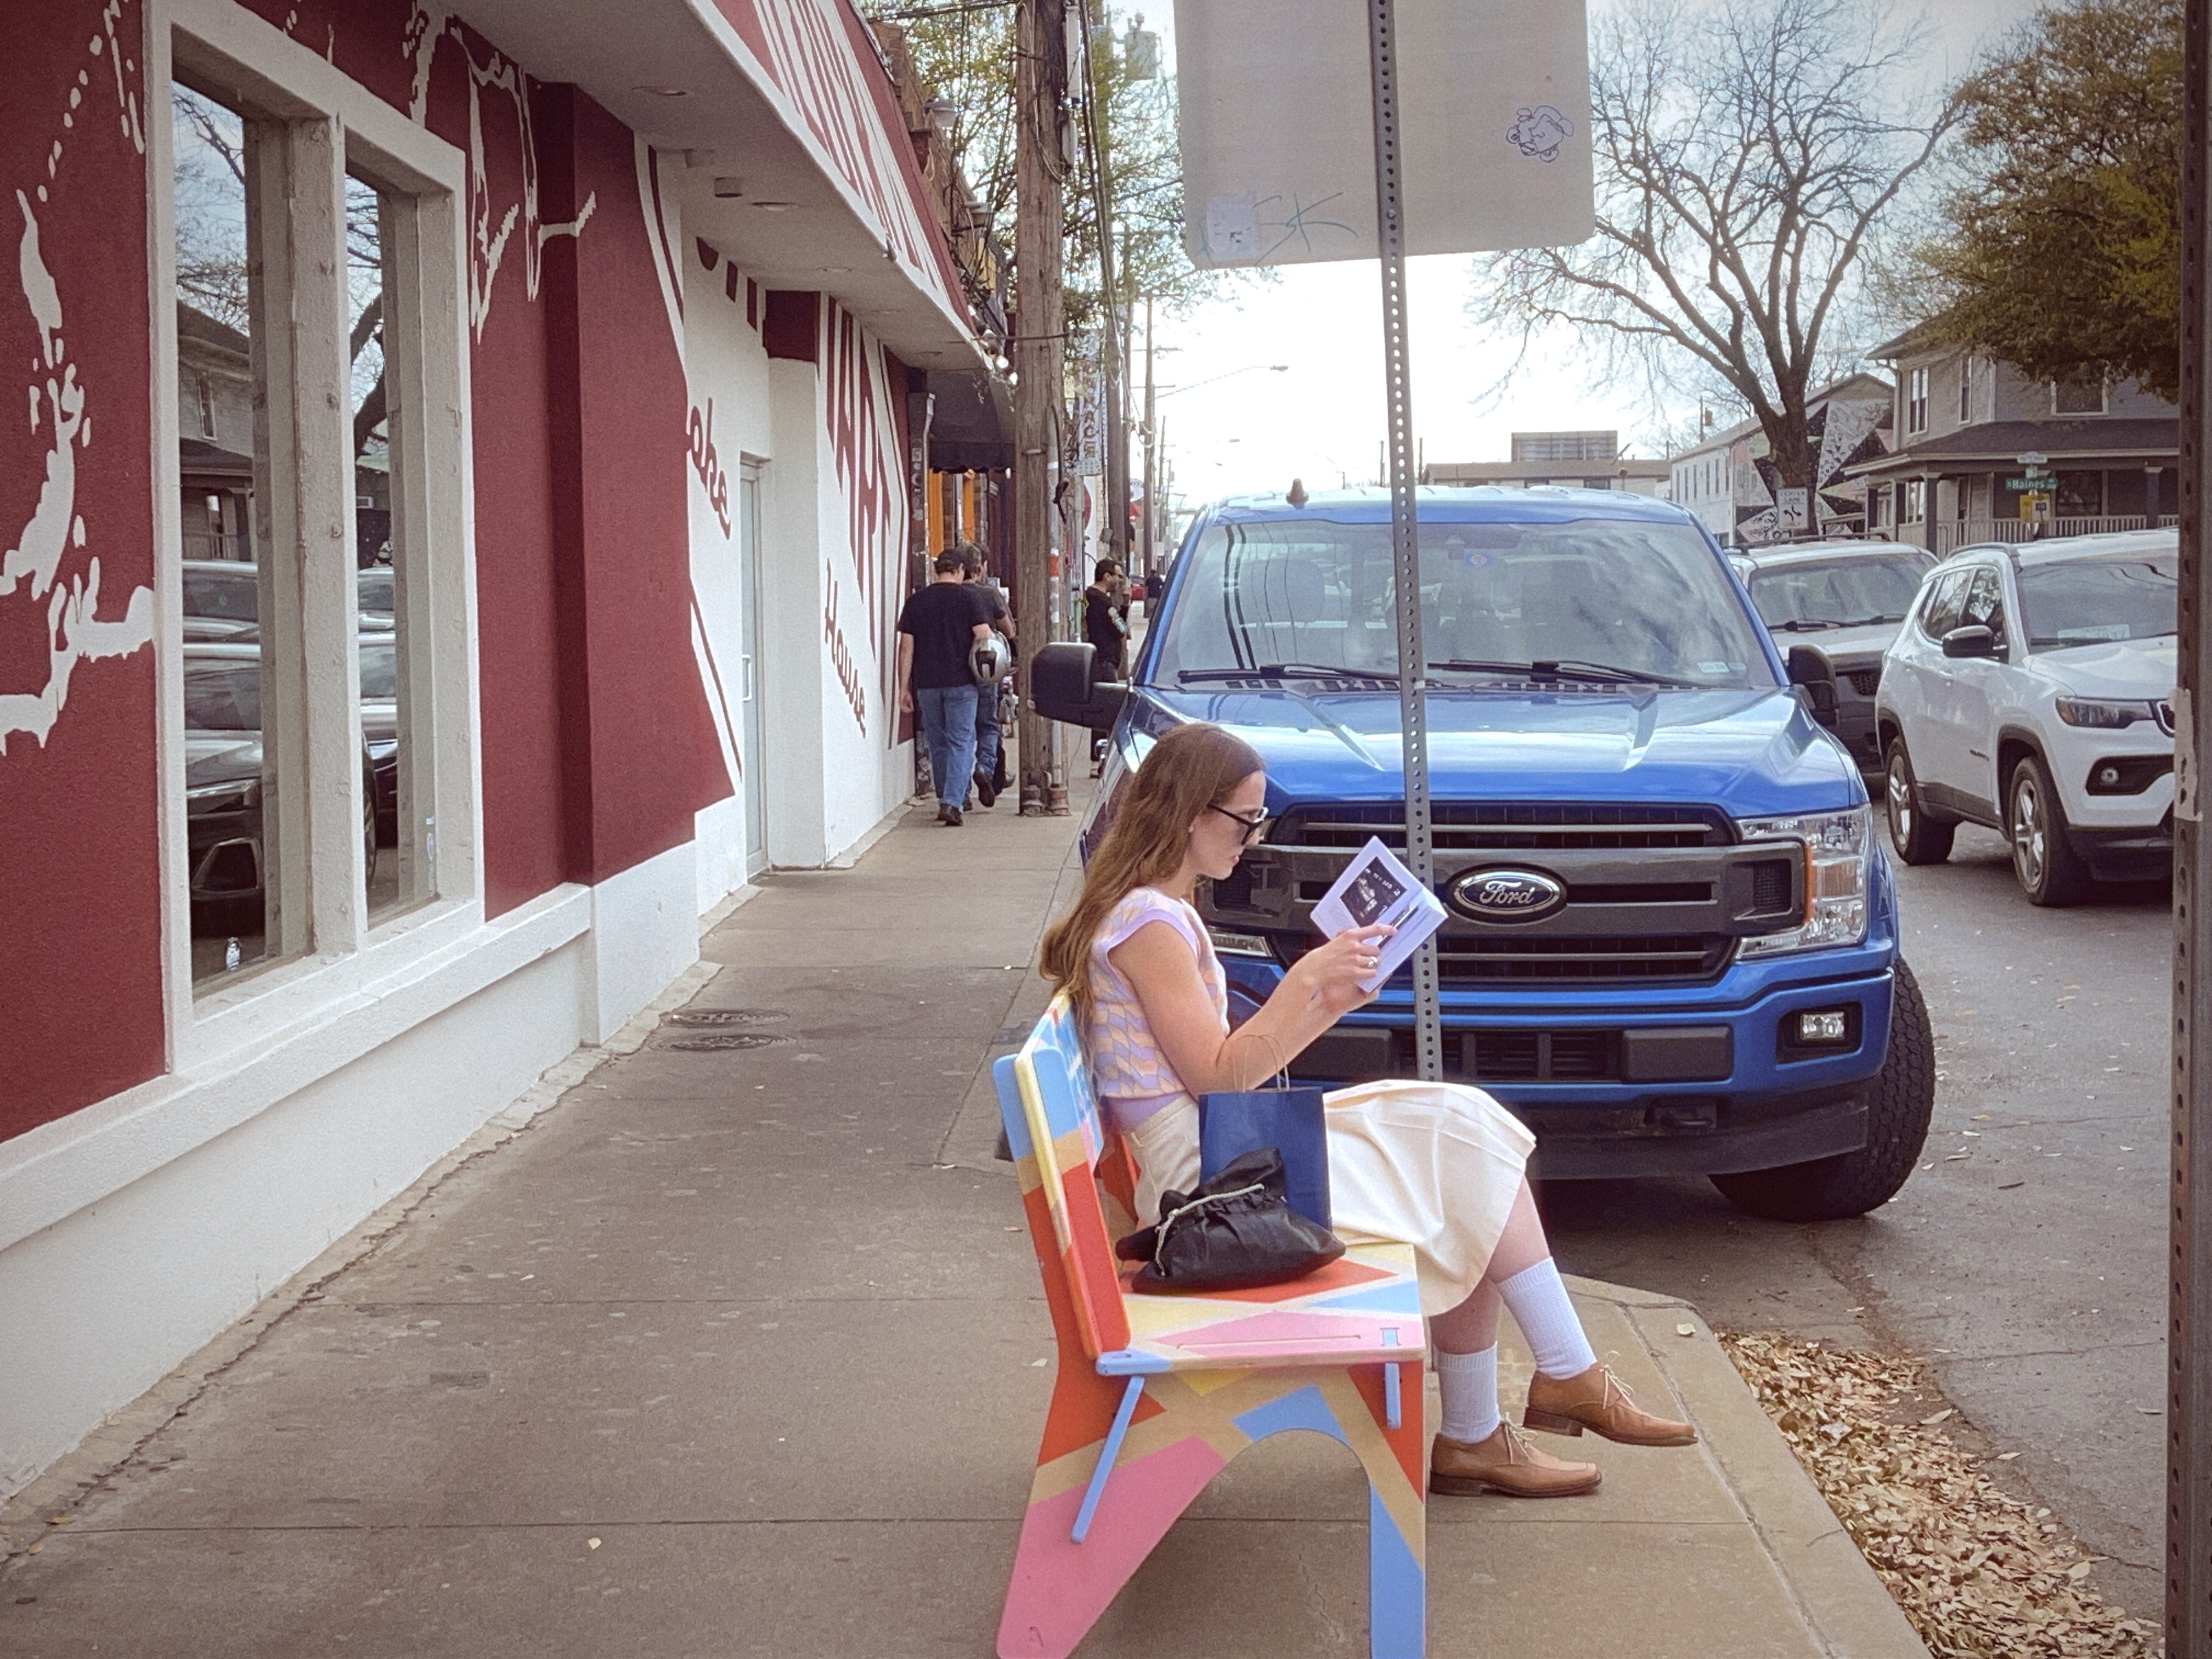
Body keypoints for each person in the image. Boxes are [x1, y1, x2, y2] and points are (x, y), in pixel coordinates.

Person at [1038, 722, 1697, 1498]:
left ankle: (1518, 1409)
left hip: (1221, 1156)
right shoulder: (1150, 926)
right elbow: (1221, 1081)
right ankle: (1533, 1396)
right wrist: (1302, 981)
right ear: (1191, 813)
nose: (1253, 839)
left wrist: (1329, 1002)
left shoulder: (1156, 914)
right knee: (1458, 1143)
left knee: (1461, 1136)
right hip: (1207, 1191)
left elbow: (1229, 1078)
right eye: (1246, 820)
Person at [896, 549, 994, 826]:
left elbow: (907, 648)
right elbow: (984, 636)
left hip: (927, 684)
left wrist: (904, 688)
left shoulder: (916, 601)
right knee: (962, 742)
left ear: (935, 570)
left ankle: (949, 797)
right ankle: (952, 802)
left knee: (938, 743)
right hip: (962, 681)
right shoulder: (969, 598)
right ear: (961, 570)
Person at [959, 542, 1014, 809]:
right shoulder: (989, 594)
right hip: (985, 666)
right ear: (979, 568)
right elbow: (1010, 630)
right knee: (988, 724)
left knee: (961, 732)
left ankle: (962, 790)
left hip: (955, 670)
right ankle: (985, 767)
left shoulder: (952, 594)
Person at [1082, 557, 1129, 677]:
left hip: (1095, 659)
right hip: (1105, 663)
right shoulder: (1103, 602)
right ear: (1107, 576)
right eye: (1119, 576)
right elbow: (1121, 628)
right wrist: (1125, 605)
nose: (1120, 580)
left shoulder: (1089, 596)